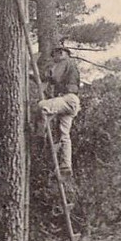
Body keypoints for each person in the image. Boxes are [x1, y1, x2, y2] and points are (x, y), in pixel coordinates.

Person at [37, 44, 81, 177]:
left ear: (64, 54)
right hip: (72, 103)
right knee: (64, 135)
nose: (59, 54)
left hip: (68, 98)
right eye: (57, 52)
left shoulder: (64, 62)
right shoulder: (70, 65)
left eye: (61, 52)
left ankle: (39, 137)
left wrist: (43, 73)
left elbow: (54, 77)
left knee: (42, 106)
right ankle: (66, 165)